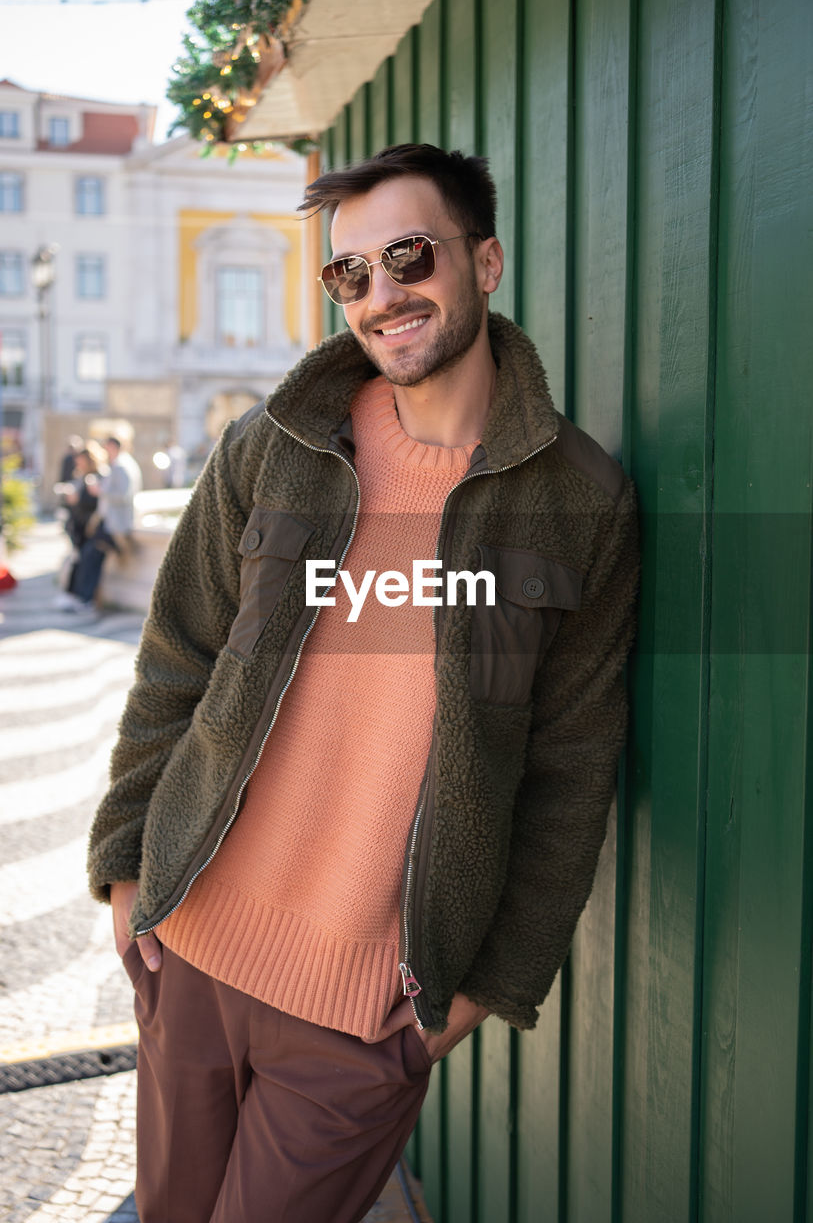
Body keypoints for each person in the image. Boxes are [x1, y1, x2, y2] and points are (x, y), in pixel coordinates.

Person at [87, 144, 639, 1223]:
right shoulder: (274, 446)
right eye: (350, 273)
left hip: (361, 1015)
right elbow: (176, 657)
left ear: (482, 261)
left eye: (407, 256)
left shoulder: (581, 500)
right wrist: (125, 873)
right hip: (190, 945)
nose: (382, 294)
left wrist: (481, 990)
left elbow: (572, 770)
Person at [71, 436, 142, 611]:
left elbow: (123, 496)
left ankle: (86, 599)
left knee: (91, 554)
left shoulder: (121, 466)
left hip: (115, 524)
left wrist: (100, 491)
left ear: (112, 446)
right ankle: (85, 598)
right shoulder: (119, 464)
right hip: (110, 522)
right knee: (90, 554)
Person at [53, 442, 105, 610]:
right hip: (78, 526)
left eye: (81, 460)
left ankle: (84, 597)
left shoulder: (98, 476)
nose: (78, 463)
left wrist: (78, 499)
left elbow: (97, 502)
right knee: (77, 560)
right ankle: (73, 594)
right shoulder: (81, 477)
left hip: (90, 527)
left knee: (85, 559)